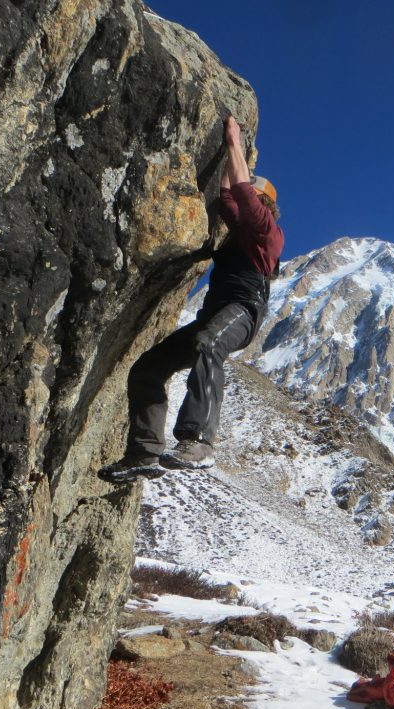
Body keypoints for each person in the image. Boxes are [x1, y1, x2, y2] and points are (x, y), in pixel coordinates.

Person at [99, 116, 284, 483]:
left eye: (257, 197)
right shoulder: (242, 232)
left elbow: (243, 197)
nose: (251, 201)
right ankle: (143, 452)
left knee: (208, 342)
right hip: (214, 314)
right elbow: (230, 196)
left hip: (241, 312)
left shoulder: (268, 232)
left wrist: (234, 142)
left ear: (266, 204)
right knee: (148, 368)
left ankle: (198, 442)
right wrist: (234, 151)